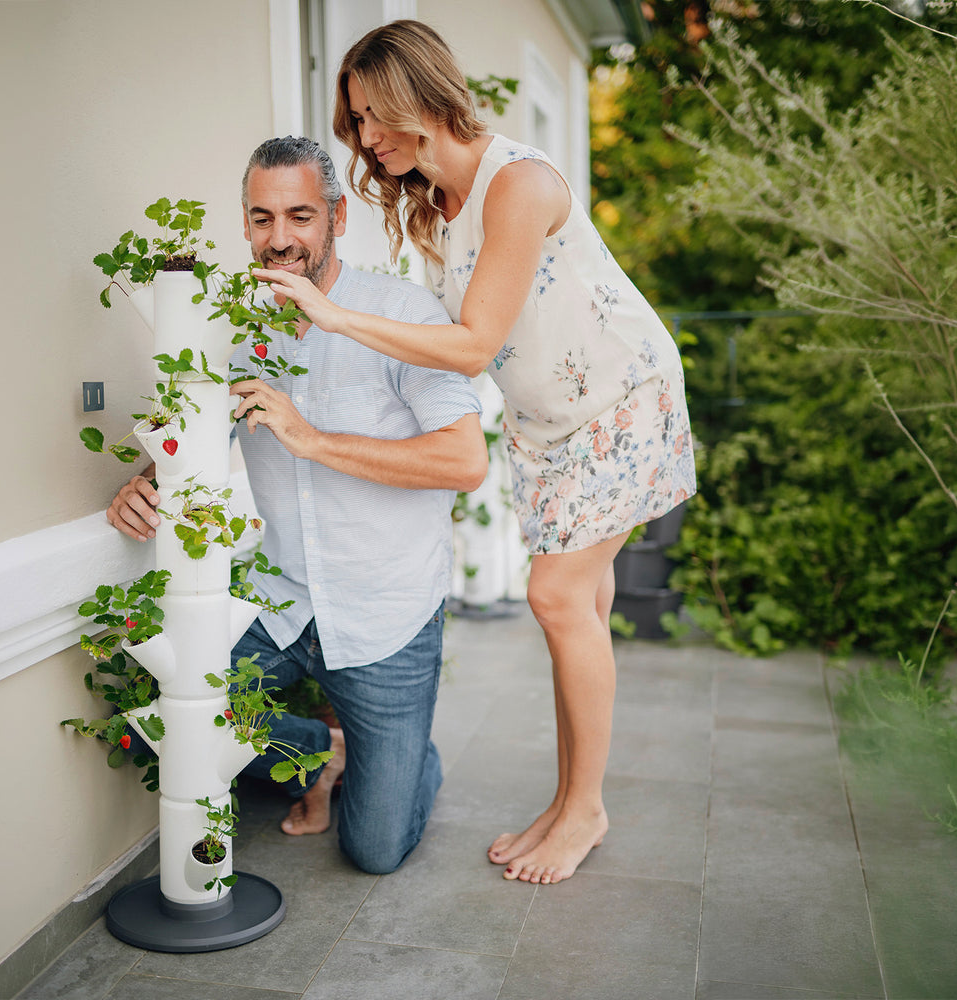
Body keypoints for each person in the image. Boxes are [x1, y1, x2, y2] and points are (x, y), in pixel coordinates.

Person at [252, 21, 697, 886]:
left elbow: (471, 341)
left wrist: (334, 314)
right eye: (357, 123)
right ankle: (571, 802)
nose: (367, 141)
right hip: (548, 423)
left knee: (557, 598)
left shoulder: (518, 184)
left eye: (374, 117)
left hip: (619, 398)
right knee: (581, 612)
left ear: (420, 94)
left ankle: (587, 810)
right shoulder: (436, 205)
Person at [107, 135, 487, 875]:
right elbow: (189, 442)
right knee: (171, 694)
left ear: (337, 220)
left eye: (300, 216)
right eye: (261, 218)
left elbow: (464, 460)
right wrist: (142, 487)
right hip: (280, 607)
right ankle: (321, 752)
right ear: (244, 224)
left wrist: (311, 439)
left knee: (374, 851)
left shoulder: (401, 313)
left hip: (387, 616)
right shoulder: (229, 332)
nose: (279, 238)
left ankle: (402, 759)